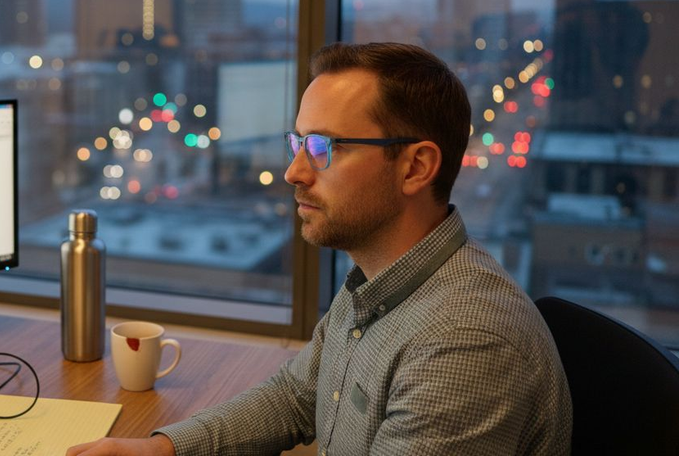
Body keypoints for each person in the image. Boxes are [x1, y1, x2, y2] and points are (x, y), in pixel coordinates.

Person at [67, 42, 572, 456]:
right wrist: (162, 450)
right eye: (299, 144)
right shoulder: (378, 281)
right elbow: (295, 397)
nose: (295, 173)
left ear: (416, 167)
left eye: (324, 149)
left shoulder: (464, 344)